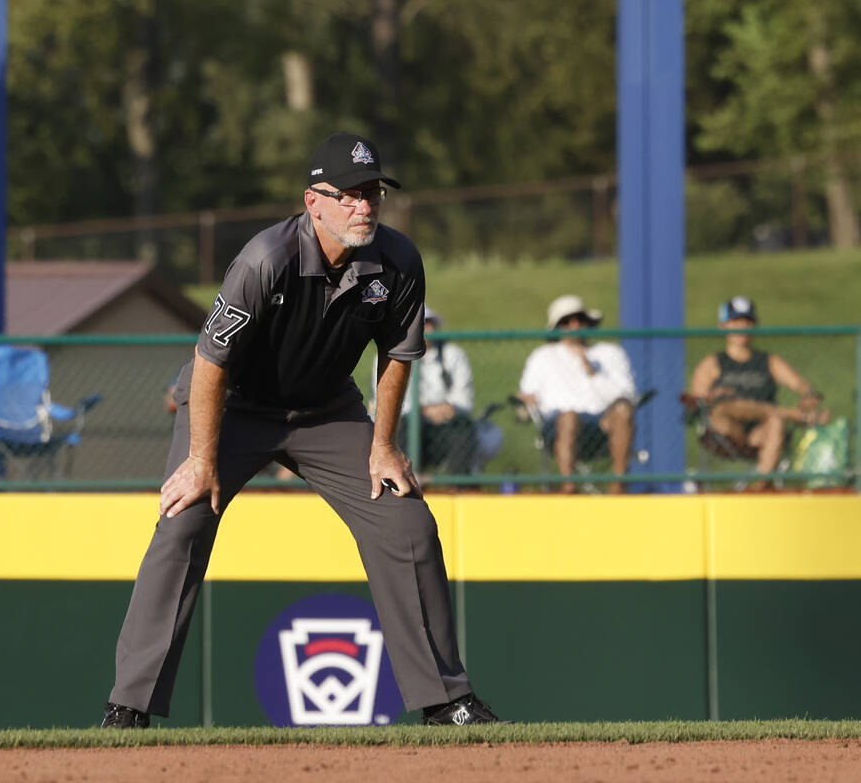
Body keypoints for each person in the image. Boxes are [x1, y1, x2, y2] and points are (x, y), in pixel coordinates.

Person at [102, 132, 502, 729]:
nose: (364, 206)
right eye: (349, 195)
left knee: (407, 520)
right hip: (232, 403)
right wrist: (202, 460)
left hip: (324, 410)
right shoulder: (266, 258)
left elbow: (398, 353)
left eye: (372, 193)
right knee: (182, 521)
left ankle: (445, 698)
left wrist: (384, 446)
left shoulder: (397, 260)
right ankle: (130, 706)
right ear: (313, 201)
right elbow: (211, 362)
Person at [687, 295, 828, 484]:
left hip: (758, 433)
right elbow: (696, 400)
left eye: (747, 321)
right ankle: (792, 414)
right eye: (736, 321)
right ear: (723, 325)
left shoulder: (768, 362)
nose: (742, 327)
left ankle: (758, 488)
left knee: (776, 423)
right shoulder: (712, 364)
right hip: (727, 432)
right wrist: (713, 396)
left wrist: (809, 396)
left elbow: (802, 385)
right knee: (728, 405)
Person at [516, 294, 638, 495]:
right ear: (558, 327)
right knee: (569, 417)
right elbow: (527, 393)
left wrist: (592, 372)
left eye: (579, 319)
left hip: (603, 423)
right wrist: (523, 401)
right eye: (566, 321)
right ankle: (569, 485)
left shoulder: (609, 354)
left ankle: (618, 484)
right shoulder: (542, 356)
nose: (574, 325)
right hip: (558, 424)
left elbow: (627, 394)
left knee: (623, 410)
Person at [373, 305, 502, 476]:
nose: (425, 328)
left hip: (446, 424)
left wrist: (448, 408)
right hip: (408, 424)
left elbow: (464, 399)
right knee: (402, 426)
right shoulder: (389, 357)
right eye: (420, 323)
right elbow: (388, 402)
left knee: (463, 429)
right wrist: (423, 412)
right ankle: (404, 479)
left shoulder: (453, 355)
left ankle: (460, 486)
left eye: (428, 323)